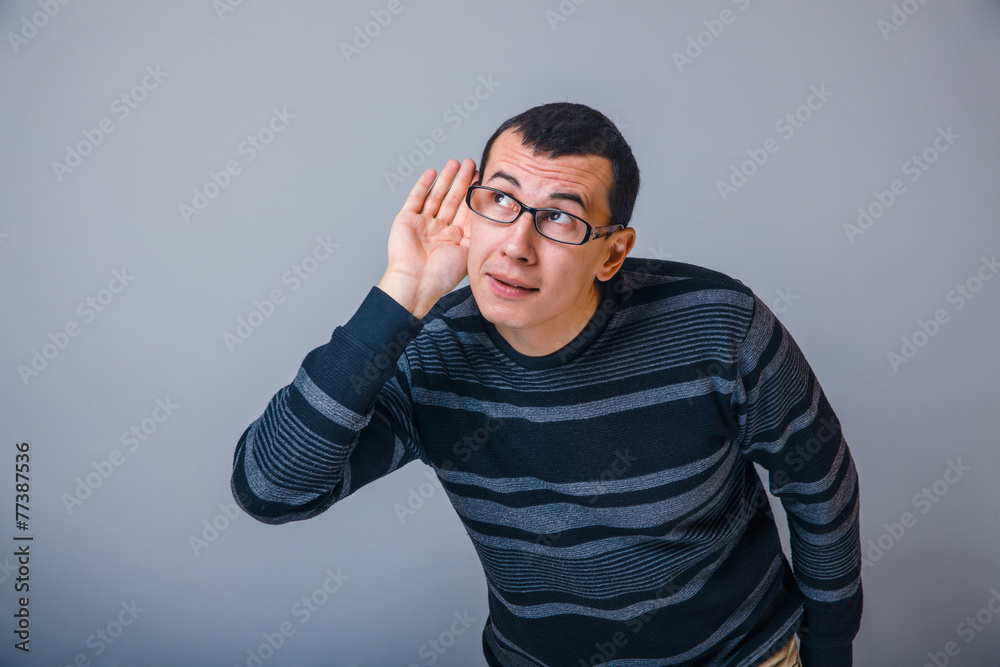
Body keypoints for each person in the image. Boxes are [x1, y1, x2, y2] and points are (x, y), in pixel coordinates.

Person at [230, 102, 862, 666]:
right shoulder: (428, 352)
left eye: (560, 217)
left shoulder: (717, 324)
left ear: (613, 253)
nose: (516, 245)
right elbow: (270, 489)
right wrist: (402, 292)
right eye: (500, 201)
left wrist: (830, 652)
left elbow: (820, 492)